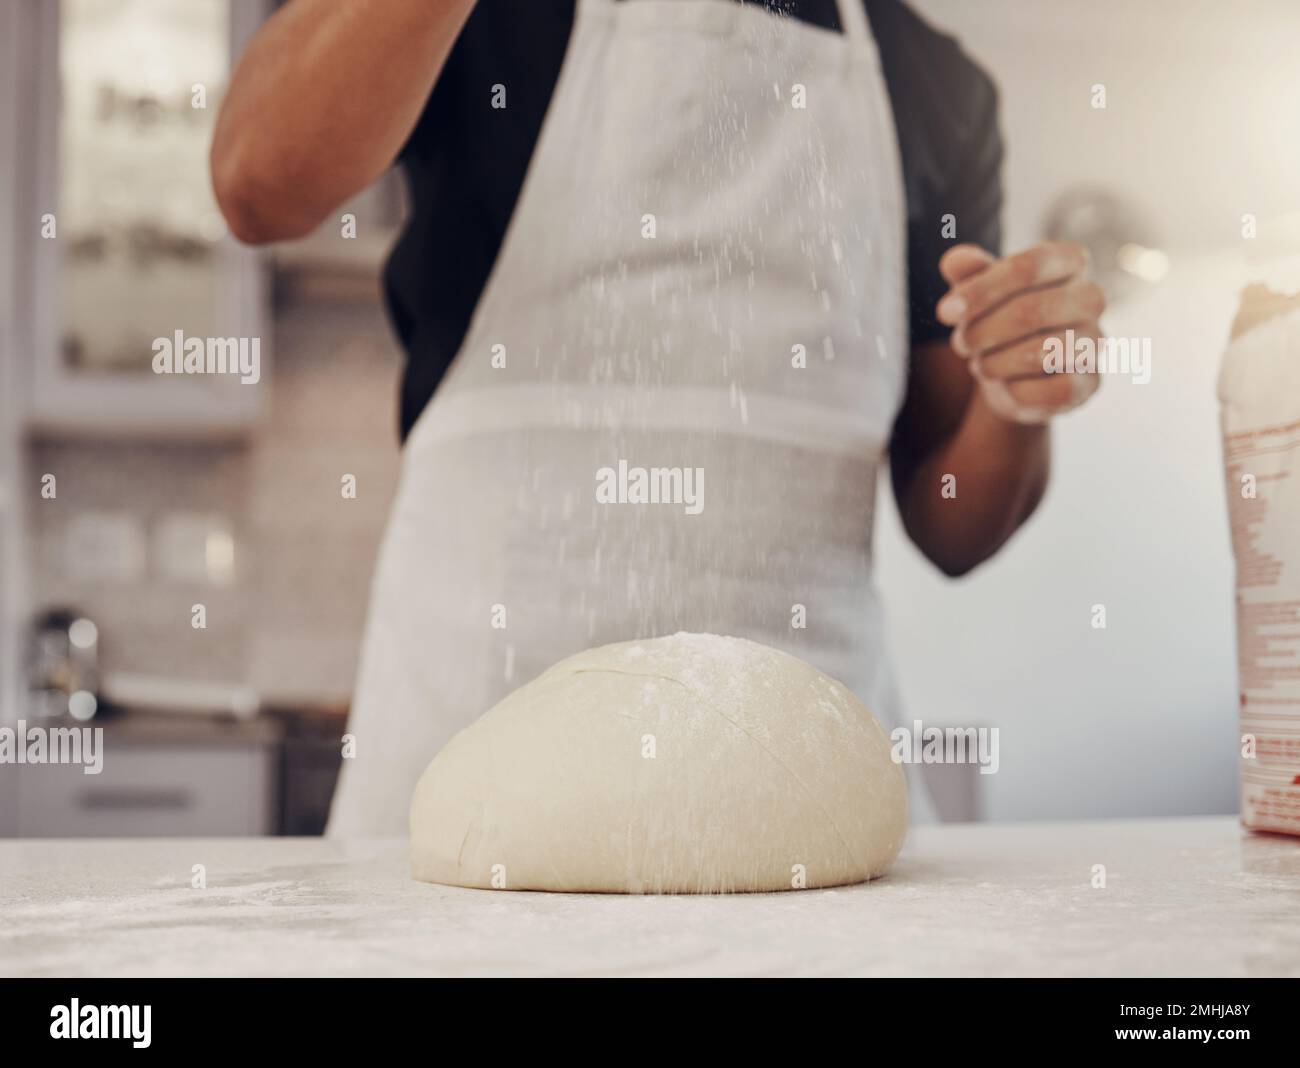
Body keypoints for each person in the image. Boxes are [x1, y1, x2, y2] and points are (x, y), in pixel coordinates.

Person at [212, 0, 1104, 835]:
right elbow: (258, 181)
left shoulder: (938, 89)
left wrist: (1020, 394)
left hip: (800, 786)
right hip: (472, 735)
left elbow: (954, 524)